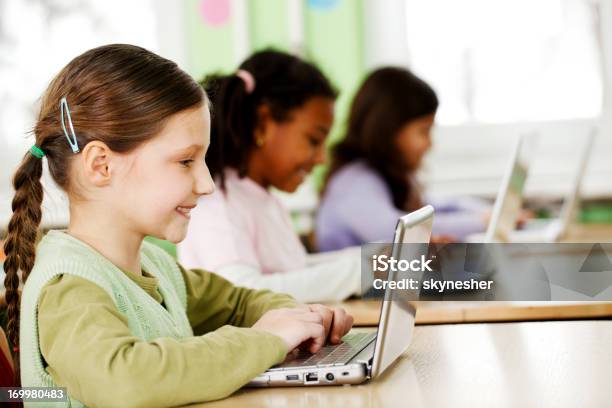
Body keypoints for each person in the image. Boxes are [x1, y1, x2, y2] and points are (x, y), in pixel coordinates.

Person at [2, 44, 353, 407]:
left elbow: (239, 302)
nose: (207, 184)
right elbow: (126, 380)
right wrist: (268, 340)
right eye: (186, 161)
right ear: (101, 166)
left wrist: (298, 318)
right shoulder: (69, 287)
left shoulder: (156, 267)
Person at [178, 50, 362, 303]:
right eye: (314, 140)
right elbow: (242, 292)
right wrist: (362, 272)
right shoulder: (218, 200)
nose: (322, 159)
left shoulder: (261, 198)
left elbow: (294, 272)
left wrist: (373, 262)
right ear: (263, 122)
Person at [316, 67, 489, 251]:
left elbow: (436, 206)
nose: (429, 144)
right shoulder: (353, 182)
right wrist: (481, 221)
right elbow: (400, 231)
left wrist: (487, 214)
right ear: (389, 130)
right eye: (423, 131)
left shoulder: (383, 175)